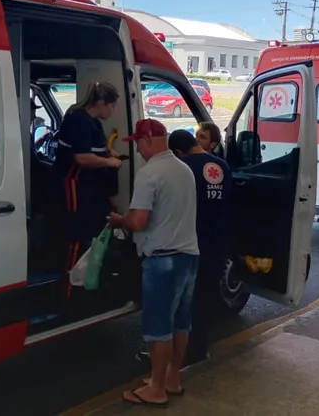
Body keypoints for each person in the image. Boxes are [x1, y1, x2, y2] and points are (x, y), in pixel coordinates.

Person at [110, 119, 199, 408]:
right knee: (180, 323)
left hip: (162, 260)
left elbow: (138, 221)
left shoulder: (149, 174)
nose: (137, 148)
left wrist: (119, 219)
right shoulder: (184, 169)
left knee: (158, 327)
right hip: (189, 256)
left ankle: (156, 389)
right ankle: (172, 378)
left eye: (138, 142)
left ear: (148, 139)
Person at [167, 129, 232, 364]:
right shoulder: (221, 166)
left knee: (182, 301)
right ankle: (200, 350)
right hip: (217, 242)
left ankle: (178, 354)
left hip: (190, 242)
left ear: (178, 152)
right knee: (206, 298)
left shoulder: (183, 168)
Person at [53, 81, 123, 295]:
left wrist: (108, 154)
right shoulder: (79, 121)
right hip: (72, 183)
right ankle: (68, 286)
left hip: (87, 185)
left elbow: (96, 148)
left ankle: (84, 280)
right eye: (111, 106)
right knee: (77, 230)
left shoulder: (94, 122)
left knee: (89, 226)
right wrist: (108, 163)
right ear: (101, 103)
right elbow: (82, 157)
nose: (112, 111)